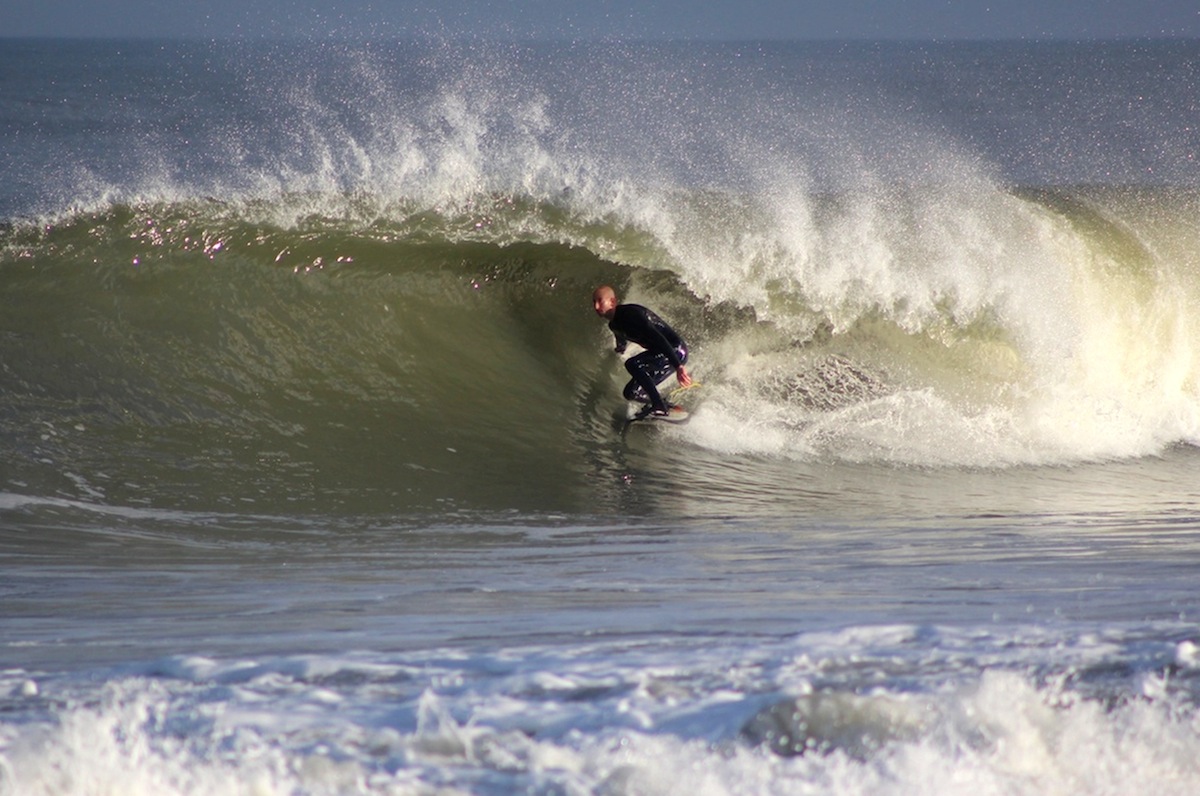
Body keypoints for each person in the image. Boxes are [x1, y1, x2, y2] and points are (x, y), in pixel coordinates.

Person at [593, 285, 692, 417]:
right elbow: (621, 341)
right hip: (660, 355)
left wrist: (678, 366)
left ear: (612, 301)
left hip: (675, 350)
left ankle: (659, 406)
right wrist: (618, 350)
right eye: (594, 302)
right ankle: (670, 408)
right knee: (631, 393)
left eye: (600, 301)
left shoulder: (631, 314)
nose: (596, 307)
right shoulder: (614, 325)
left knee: (632, 364)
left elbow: (659, 338)